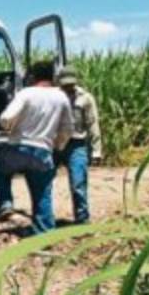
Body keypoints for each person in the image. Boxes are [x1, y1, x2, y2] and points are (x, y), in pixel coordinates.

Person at [0, 61, 75, 235]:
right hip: (43, 151)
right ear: (52, 77)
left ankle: (5, 204)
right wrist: (57, 145)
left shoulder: (26, 93)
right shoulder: (61, 97)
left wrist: (9, 130)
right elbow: (68, 128)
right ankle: (44, 232)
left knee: (0, 170)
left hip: (18, 148)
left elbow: (6, 118)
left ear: (33, 77)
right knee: (42, 192)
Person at [56, 65, 103, 224]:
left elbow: (92, 124)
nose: (68, 87)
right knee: (44, 182)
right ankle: (44, 221)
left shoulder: (85, 98)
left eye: (71, 83)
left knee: (78, 183)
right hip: (56, 144)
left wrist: (96, 151)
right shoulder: (54, 97)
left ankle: (82, 220)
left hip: (76, 145)